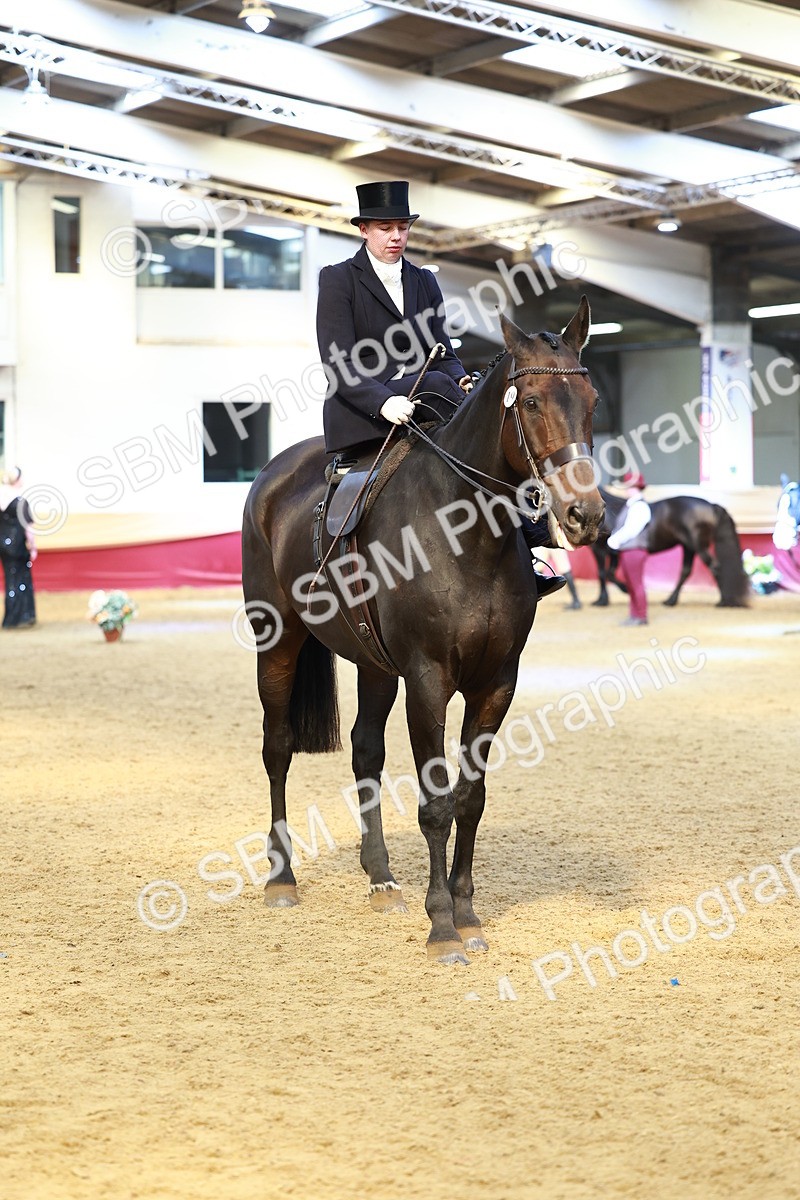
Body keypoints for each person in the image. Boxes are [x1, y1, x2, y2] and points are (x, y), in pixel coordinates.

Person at [316, 179, 564, 597]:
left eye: (403, 227)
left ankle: (527, 549)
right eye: (384, 228)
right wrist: (383, 401)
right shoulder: (338, 279)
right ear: (363, 230)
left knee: (482, 429)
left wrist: (463, 379)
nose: (396, 236)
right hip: (366, 410)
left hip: (425, 400)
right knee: (438, 385)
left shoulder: (424, 281)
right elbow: (338, 363)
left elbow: (442, 351)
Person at [607, 470, 651, 625]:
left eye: (629, 486)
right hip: (628, 549)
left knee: (636, 583)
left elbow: (632, 529)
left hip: (634, 549)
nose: (626, 489)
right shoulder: (632, 504)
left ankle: (641, 615)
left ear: (635, 487)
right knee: (632, 584)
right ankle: (635, 614)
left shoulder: (639, 506)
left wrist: (615, 540)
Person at [0, 467, 37, 628]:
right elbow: (28, 528)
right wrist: (33, 546)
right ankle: (22, 615)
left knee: (11, 580)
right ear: (16, 480)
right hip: (18, 546)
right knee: (22, 579)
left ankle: (12, 617)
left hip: (3, 545)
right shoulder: (20, 501)